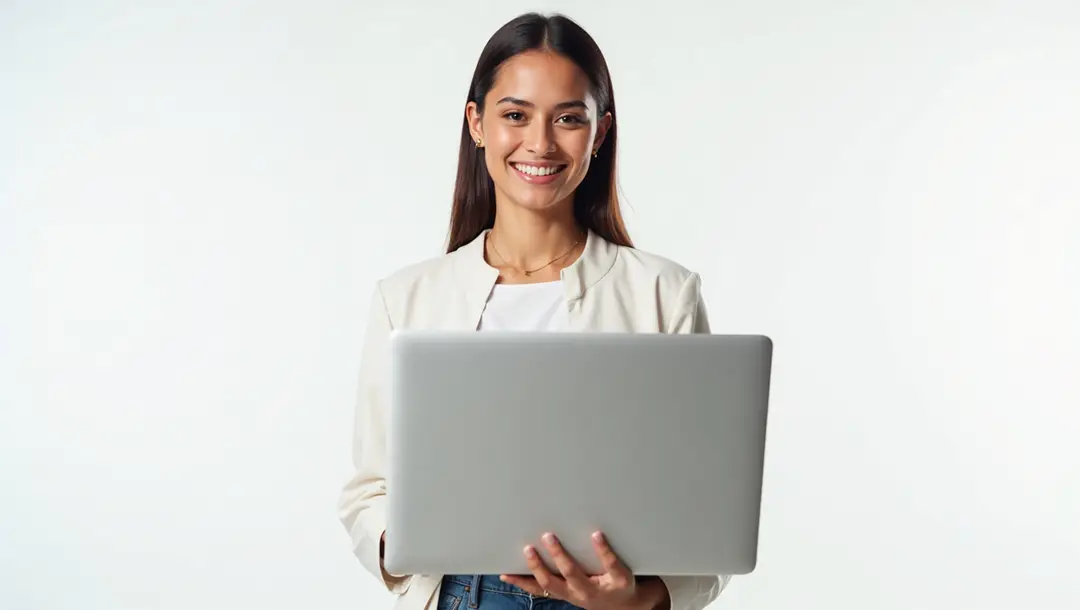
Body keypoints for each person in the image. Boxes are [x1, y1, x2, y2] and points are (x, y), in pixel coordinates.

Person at [338, 12, 728, 610]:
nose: (541, 144)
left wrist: (642, 599)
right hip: (460, 593)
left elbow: (708, 517)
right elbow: (370, 491)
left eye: (569, 118)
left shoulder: (664, 293)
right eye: (515, 115)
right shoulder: (407, 298)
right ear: (477, 123)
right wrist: (402, 540)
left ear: (599, 134)